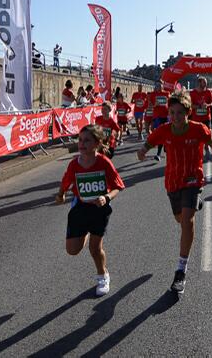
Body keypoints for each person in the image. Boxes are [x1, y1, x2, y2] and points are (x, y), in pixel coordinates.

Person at [136, 91, 212, 295]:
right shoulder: (164, 130)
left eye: (180, 112)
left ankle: (181, 269)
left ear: (188, 112)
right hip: (172, 183)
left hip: (192, 180)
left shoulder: (199, 129)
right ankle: (192, 206)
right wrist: (142, 151)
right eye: (172, 112)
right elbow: (148, 144)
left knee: (187, 221)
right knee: (180, 219)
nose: (175, 116)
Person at [55, 124, 124, 297]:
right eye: (80, 140)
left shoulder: (104, 162)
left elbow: (118, 186)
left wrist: (106, 197)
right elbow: (65, 182)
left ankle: (102, 275)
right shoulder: (74, 164)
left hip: (99, 209)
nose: (82, 144)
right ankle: (85, 232)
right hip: (80, 207)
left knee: (95, 247)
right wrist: (61, 194)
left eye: (87, 140)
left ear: (97, 143)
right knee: (72, 250)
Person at [147, 83, 170, 161]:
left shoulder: (166, 93)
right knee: (159, 133)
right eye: (157, 86)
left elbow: (169, 103)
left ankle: (159, 153)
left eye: (160, 86)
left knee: (165, 134)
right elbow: (150, 105)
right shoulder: (153, 94)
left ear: (162, 86)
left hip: (165, 116)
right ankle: (161, 148)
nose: (158, 87)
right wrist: (155, 105)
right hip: (157, 116)